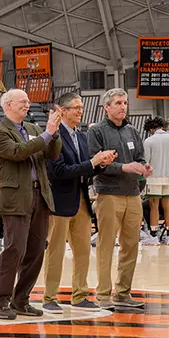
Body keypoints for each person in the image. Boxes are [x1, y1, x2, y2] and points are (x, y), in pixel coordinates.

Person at [0, 90, 62, 320]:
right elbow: (17, 153)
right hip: (16, 198)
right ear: (8, 104)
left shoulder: (33, 129)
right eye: (23, 101)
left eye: (28, 102)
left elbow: (52, 153)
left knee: (37, 251)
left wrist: (54, 134)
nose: (28, 105)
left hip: (40, 196)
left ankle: (21, 300)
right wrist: (47, 134)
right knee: (14, 250)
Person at [41, 93, 114, 314]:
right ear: (61, 110)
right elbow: (59, 172)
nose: (80, 111)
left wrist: (100, 165)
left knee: (82, 250)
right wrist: (92, 162)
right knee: (55, 251)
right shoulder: (54, 136)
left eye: (81, 107)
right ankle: (49, 297)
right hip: (59, 201)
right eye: (75, 108)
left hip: (81, 199)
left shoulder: (82, 137)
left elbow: (85, 168)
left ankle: (80, 294)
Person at [87, 88, 152, 310]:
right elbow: (96, 164)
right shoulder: (96, 131)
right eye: (118, 103)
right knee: (106, 245)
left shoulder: (133, 131)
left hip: (133, 194)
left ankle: (123, 292)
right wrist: (124, 166)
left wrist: (144, 168)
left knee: (131, 245)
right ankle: (103, 294)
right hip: (108, 194)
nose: (123, 106)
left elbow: (139, 157)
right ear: (106, 107)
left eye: (125, 103)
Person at [142, 117, 169, 245]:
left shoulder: (149, 141)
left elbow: (145, 161)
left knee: (154, 207)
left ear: (151, 129)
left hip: (153, 178)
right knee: (167, 206)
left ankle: (153, 235)